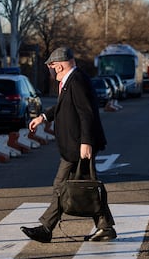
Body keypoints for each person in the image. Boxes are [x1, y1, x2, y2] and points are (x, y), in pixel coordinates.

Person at [20, 47, 116, 243]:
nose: (51, 71)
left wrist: (86, 142)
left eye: (52, 66)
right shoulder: (71, 80)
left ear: (60, 65)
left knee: (62, 185)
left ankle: (46, 228)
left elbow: (86, 113)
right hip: (75, 145)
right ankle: (104, 227)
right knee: (87, 187)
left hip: (78, 146)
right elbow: (63, 106)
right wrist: (44, 117)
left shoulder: (77, 81)